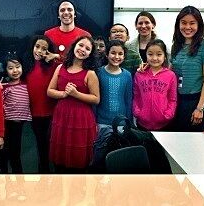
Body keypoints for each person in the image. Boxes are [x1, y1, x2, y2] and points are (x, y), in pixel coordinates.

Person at [47, 36, 100, 173]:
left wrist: (76, 94)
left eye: (87, 49)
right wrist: (64, 94)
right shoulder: (60, 67)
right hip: (62, 116)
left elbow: (96, 99)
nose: (83, 50)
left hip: (82, 119)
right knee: (61, 158)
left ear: (90, 54)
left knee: (79, 159)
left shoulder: (90, 73)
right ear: (74, 46)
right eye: (81, 45)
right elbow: (50, 91)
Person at [170, 6, 204, 131]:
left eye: (192, 23)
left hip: (195, 102)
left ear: (199, 25)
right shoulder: (176, 45)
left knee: (198, 144)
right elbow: (170, 73)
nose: (187, 27)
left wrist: (199, 108)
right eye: (183, 23)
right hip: (177, 102)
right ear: (178, 24)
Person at [24, 35, 58, 173]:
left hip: (52, 112)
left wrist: (55, 56)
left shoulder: (54, 65)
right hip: (34, 113)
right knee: (41, 146)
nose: (39, 51)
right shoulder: (26, 65)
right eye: (37, 47)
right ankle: (43, 173)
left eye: (44, 49)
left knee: (52, 146)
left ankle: (54, 175)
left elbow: (69, 64)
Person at [0, 52, 31, 199]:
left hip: (19, 126)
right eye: (11, 68)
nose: (15, 70)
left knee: (16, 156)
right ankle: (7, 186)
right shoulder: (4, 87)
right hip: (6, 124)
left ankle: (20, 187)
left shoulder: (27, 84)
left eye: (17, 67)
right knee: (4, 156)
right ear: (6, 70)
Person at [133, 39, 177, 131]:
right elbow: (136, 96)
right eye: (150, 54)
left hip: (164, 124)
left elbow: (172, 99)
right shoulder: (139, 74)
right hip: (142, 124)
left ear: (165, 56)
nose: (154, 58)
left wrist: (168, 114)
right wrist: (138, 112)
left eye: (159, 54)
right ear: (146, 55)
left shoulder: (170, 75)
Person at [96, 40, 133, 126]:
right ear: (106, 54)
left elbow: (128, 100)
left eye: (120, 54)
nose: (116, 56)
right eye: (113, 53)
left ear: (124, 56)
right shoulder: (98, 73)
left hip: (121, 123)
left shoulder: (127, 75)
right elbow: (95, 100)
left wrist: (128, 122)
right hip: (101, 122)